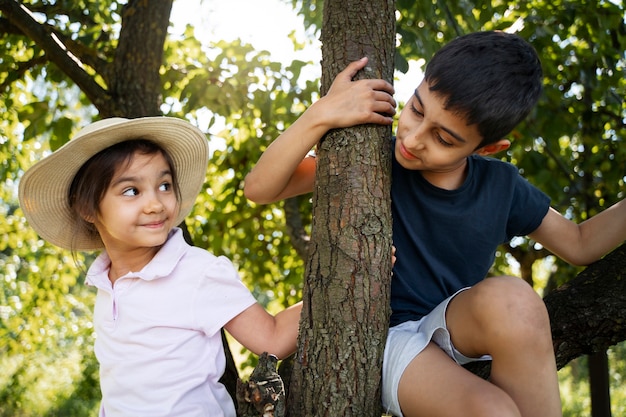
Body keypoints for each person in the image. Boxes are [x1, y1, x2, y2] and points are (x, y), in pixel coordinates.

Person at [243, 31, 626, 417]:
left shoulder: (501, 185)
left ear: (486, 148)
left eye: (443, 138)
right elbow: (260, 188)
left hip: (453, 323)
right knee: (493, 412)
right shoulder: (374, 155)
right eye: (417, 109)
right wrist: (321, 114)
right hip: (383, 334)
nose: (413, 138)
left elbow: (579, 244)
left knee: (516, 299)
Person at [19, 116, 302, 417]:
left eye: (164, 185)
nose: (156, 204)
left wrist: (344, 287)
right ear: (87, 208)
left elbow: (272, 338)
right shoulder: (105, 282)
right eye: (131, 191)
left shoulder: (196, 272)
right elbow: (120, 386)